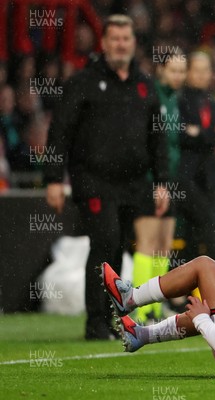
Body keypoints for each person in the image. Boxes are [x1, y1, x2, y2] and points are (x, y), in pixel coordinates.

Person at [44, 15, 169, 339]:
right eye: (114, 39)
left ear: (133, 43)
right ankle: (96, 324)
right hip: (93, 179)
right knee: (104, 243)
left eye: (126, 39)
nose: (120, 45)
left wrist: (162, 182)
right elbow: (60, 132)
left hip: (135, 183)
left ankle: (116, 320)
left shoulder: (144, 84)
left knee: (121, 250)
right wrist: (53, 178)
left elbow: (158, 137)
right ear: (104, 43)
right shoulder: (83, 82)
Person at [131, 48, 187, 324]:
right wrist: (156, 180)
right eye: (174, 70)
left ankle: (155, 306)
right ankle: (140, 309)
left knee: (164, 245)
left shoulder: (174, 98)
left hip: (170, 178)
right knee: (147, 243)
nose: (179, 76)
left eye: (182, 71)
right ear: (161, 69)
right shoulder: (149, 95)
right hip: (149, 179)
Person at [177, 51, 215, 272]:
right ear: (188, 72)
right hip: (185, 175)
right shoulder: (179, 100)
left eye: (205, 70)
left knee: (194, 231)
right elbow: (181, 135)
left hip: (208, 174)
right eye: (197, 70)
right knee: (205, 219)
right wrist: (212, 134)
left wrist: (198, 133)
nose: (202, 75)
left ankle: (183, 290)